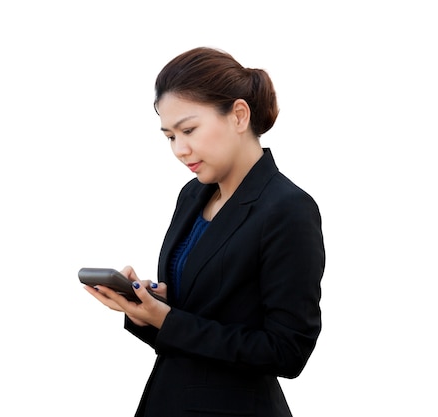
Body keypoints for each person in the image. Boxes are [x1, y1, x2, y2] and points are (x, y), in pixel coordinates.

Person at [85, 46, 325, 417]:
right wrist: (149, 310)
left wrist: (168, 320)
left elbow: (287, 351)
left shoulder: (288, 208)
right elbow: (197, 320)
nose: (180, 149)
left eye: (189, 129)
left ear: (239, 115)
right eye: (169, 136)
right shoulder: (193, 195)